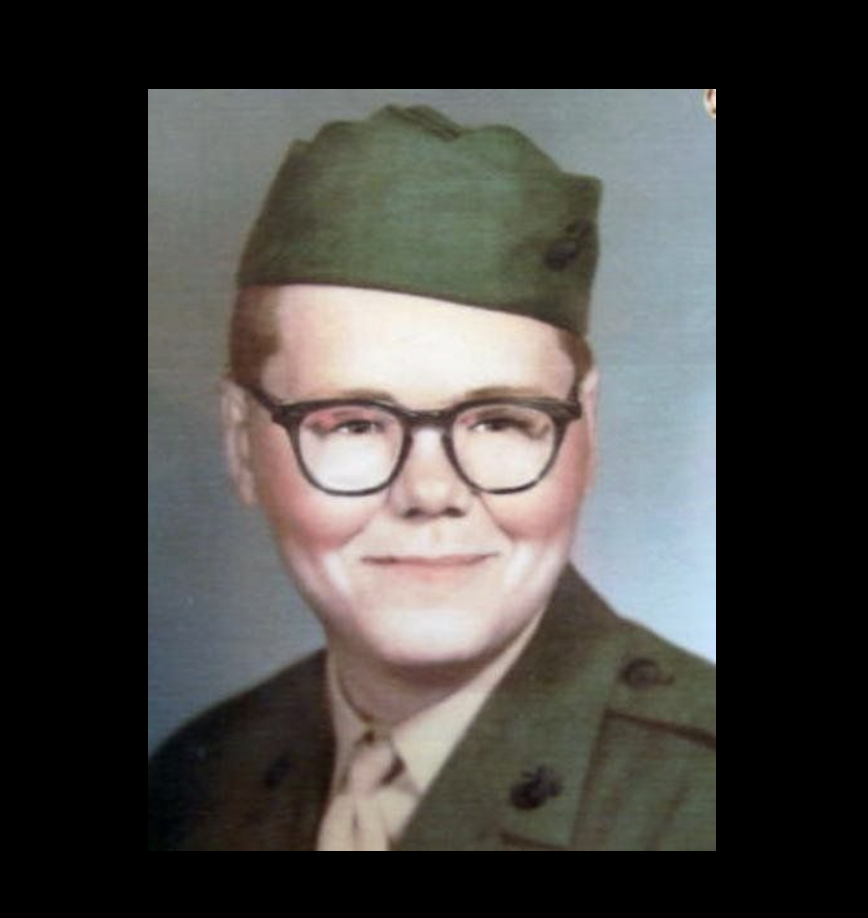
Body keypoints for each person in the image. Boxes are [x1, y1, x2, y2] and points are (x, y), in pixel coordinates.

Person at [148, 105, 715, 852]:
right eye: (351, 422)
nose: (429, 492)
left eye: (500, 421)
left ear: (588, 431)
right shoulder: (193, 783)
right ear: (241, 445)